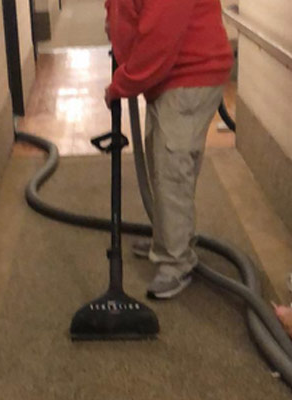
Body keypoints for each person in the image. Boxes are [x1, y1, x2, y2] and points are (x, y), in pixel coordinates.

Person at [104, 0, 234, 299]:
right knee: (162, 163)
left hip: (189, 76)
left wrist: (121, 84)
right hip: (168, 77)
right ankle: (166, 239)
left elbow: (159, 41)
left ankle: (177, 261)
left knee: (171, 171)